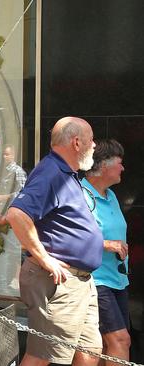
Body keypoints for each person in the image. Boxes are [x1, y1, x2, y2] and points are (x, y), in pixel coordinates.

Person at [6, 116, 103, 366]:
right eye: (92, 140)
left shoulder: (67, 173)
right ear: (77, 142)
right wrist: (45, 259)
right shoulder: (51, 171)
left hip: (79, 281)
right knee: (43, 356)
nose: (95, 145)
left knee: (89, 353)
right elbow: (17, 215)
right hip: (60, 282)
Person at [81, 139, 130, 365]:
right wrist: (107, 244)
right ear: (103, 166)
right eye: (119, 163)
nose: (122, 168)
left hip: (117, 278)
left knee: (102, 344)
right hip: (95, 279)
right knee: (120, 339)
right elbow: (70, 236)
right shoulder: (80, 194)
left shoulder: (110, 195)